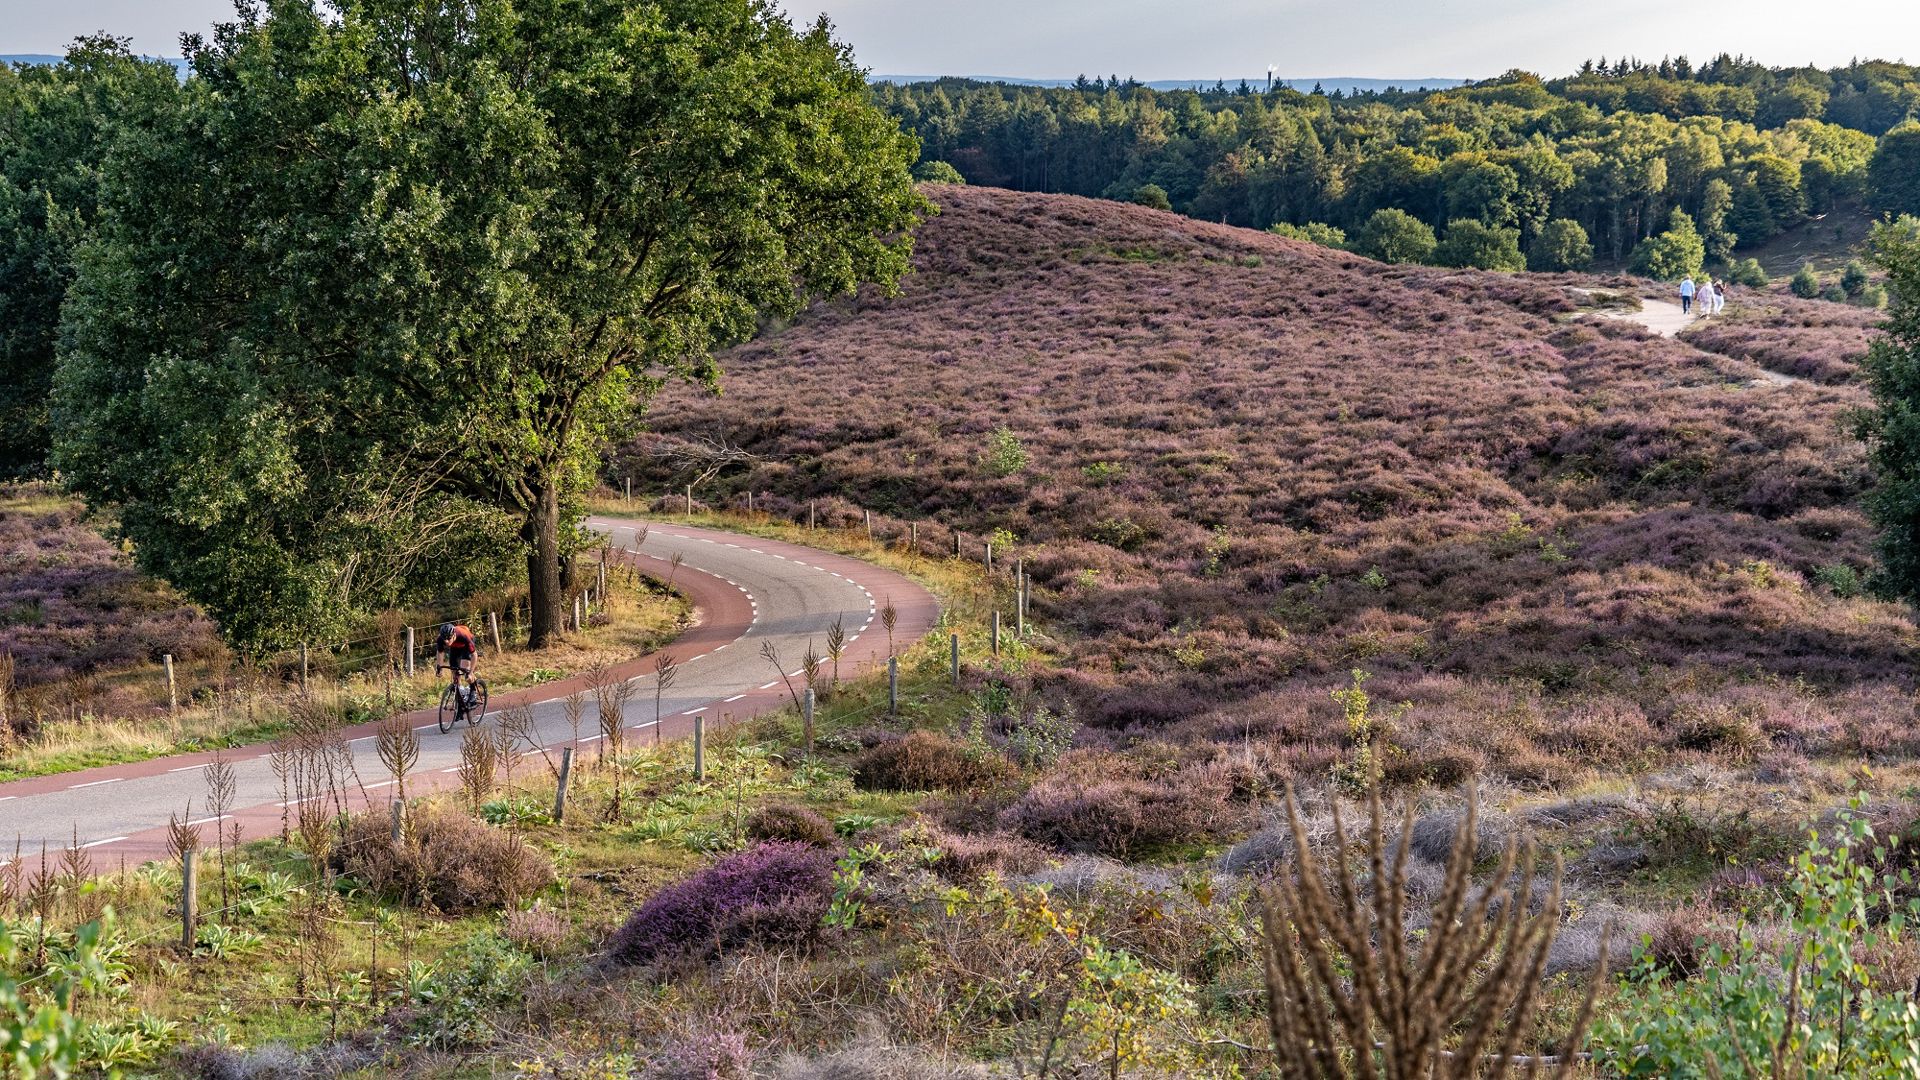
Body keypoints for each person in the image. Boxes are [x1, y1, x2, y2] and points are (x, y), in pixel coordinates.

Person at [435, 622, 479, 703]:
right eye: (445, 639)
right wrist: (439, 668)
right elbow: (440, 653)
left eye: (449, 638)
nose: (447, 641)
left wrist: (471, 672)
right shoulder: (441, 638)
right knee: (454, 669)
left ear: (454, 635)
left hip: (465, 645)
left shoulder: (464, 636)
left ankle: (473, 690)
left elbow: (474, 655)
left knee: (464, 668)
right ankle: (460, 692)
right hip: (455, 647)